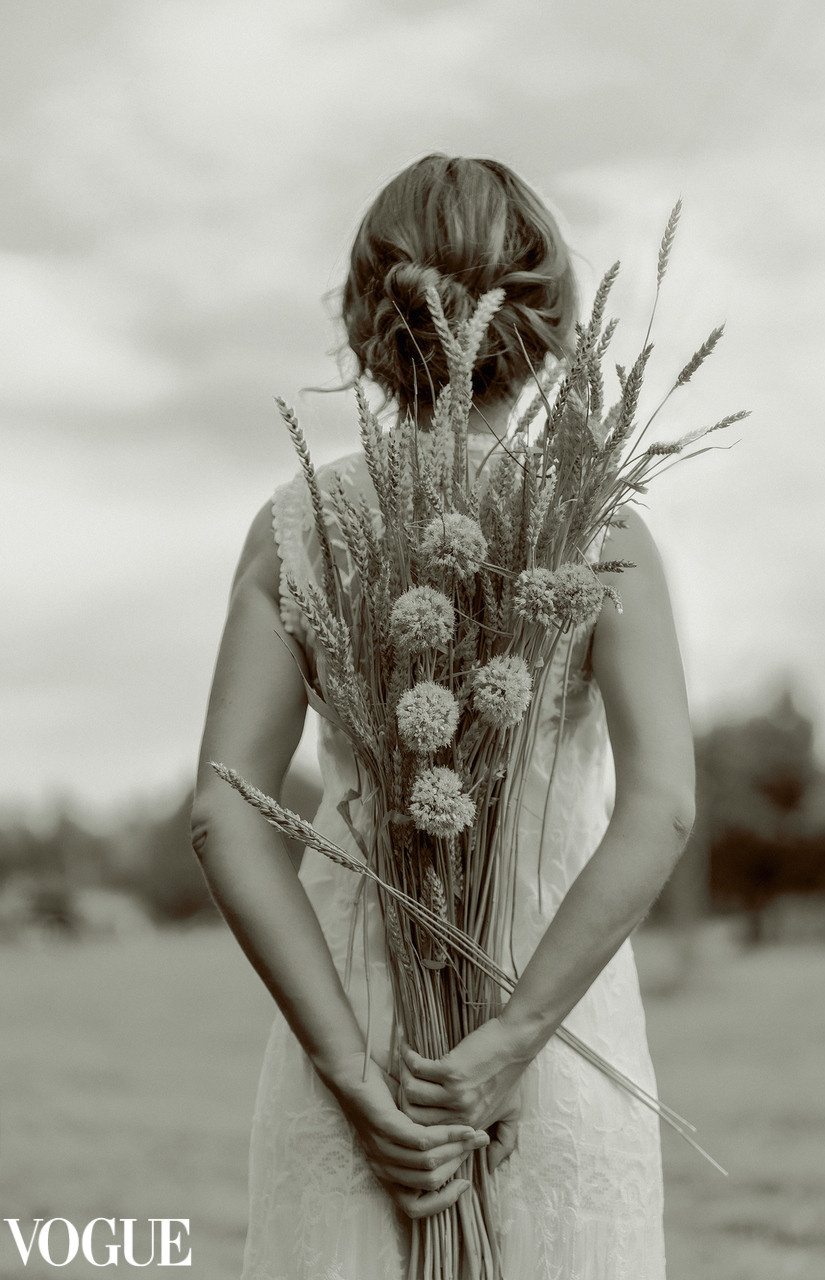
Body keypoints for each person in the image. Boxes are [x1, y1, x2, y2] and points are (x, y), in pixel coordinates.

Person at [191, 154, 696, 1279]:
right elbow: (659, 810)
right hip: (554, 1038)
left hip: (357, 1040)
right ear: (550, 320)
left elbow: (226, 816)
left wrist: (359, 1080)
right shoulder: (602, 527)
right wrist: (509, 1042)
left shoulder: (296, 525)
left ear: (369, 321)